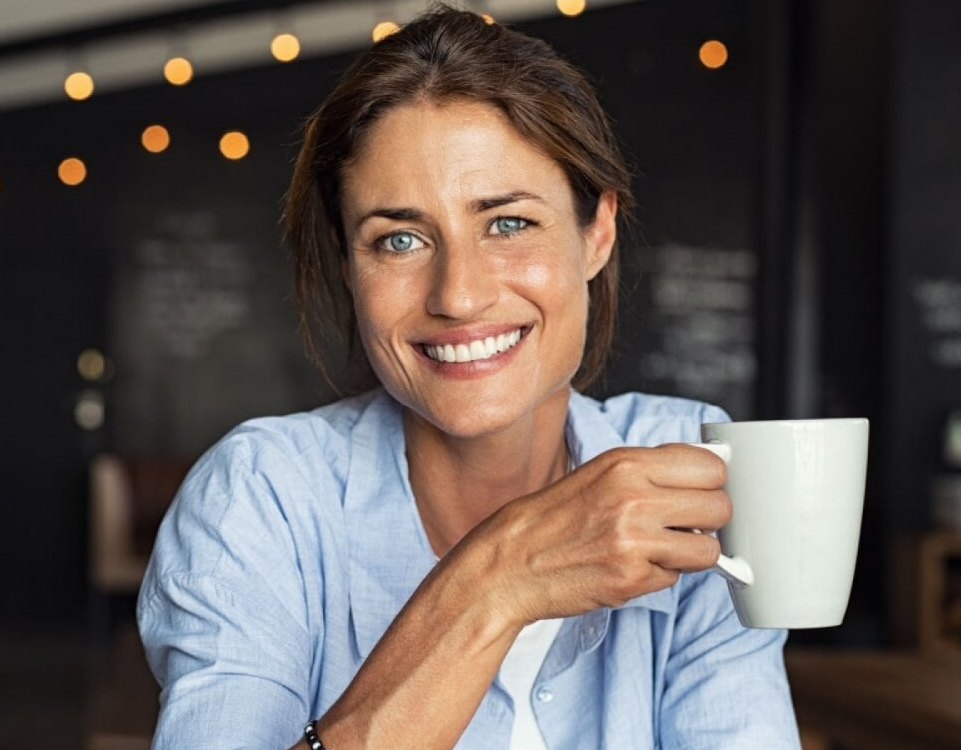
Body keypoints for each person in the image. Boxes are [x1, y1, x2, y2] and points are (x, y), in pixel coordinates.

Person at [137, 6, 800, 749]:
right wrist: (494, 580)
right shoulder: (263, 500)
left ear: (597, 233)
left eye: (509, 223)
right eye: (400, 239)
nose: (458, 294)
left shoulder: (689, 468)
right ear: (351, 269)